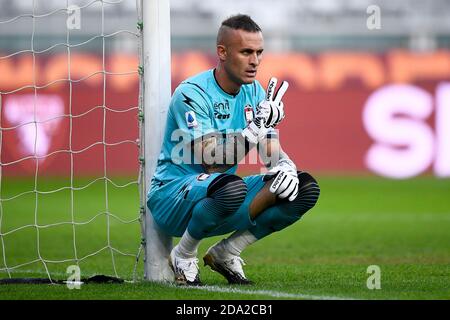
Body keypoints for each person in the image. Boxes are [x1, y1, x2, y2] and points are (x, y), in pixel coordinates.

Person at [147, 14, 320, 286]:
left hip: (220, 196)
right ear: (222, 52)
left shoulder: (255, 92)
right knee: (230, 186)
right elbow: (212, 163)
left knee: (302, 188)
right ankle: (184, 253)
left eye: (259, 52)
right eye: (246, 52)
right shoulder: (192, 93)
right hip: (172, 196)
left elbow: (270, 151)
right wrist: (254, 130)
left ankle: (228, 252)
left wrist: (284, 166)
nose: (255, 61)